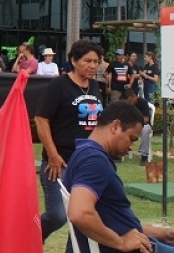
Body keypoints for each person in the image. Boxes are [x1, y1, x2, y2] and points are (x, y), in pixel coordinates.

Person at [65, 101, 174, 253]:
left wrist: (165, 235)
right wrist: (120, 243)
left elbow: (119, 224)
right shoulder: (94, 160)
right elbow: (79, 213)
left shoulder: (85, 152)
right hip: (115, 248)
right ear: (115, 126)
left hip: (121, 243)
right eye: (132, 138)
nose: (132, 147)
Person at [35, 40, 105, 244]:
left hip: (87, 164)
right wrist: (53, 155)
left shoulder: (95, 86)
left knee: (82, 219)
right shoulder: (59, 86)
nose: (93, 66)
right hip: (60, 163)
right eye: (88, 61)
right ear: (74, 61)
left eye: (96, 61)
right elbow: (41, 120)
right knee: (57, 215)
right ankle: (29, 237)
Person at [122, 89, 152, 165]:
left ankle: (144, 156)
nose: (129, 103)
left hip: (142, 125)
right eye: (127, 102)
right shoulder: (125, 105)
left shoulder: (142, 102)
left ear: (134, 97)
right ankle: (119, 153)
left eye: (130, 101)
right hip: (129, 126)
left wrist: (135, 123)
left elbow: (146, 119)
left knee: (145, 130)